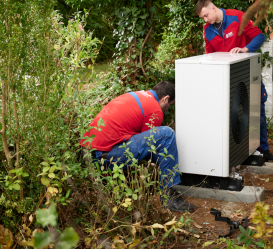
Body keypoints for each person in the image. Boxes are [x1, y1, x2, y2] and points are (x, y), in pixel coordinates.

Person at [79, 81, 195, 213]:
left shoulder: (137, 95)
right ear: (165, 98)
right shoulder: (155, 110)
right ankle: (168, 196)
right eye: (170, 104)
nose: (168, 108)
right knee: (167, 134)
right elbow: (151, 146)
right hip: (104, 156)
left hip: (88, 152)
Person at [195, 0, 273, 162]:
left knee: (257, 112)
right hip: (226, 80)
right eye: (202, 18)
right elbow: (209, 56)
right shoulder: (208, 30)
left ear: (213, 7)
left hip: (248, 72)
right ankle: (236, 152)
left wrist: (246, 49)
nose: (206, 20)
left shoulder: (238, 17)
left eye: (206, 15)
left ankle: (263, 149)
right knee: (233, 115)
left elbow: (259, 36)